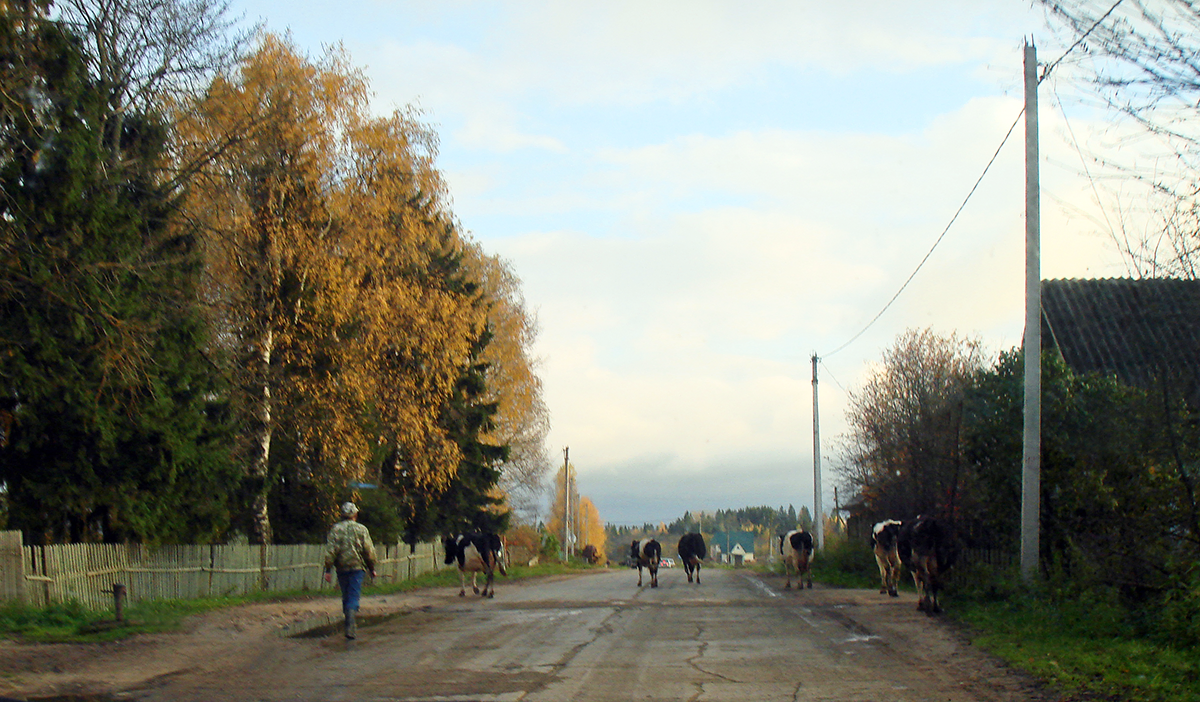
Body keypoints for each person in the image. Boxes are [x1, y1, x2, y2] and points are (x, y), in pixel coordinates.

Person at [323, 501, 377, 639]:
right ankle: (350, 625)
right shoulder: (361, 529)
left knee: (345, 595)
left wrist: (328, 569)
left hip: (341, 568)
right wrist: (372, 568)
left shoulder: (335, 529)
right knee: (353, 595)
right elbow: (368, 551)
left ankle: (348, 621)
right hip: (357, 567)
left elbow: (331, 551)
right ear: (355, 514)